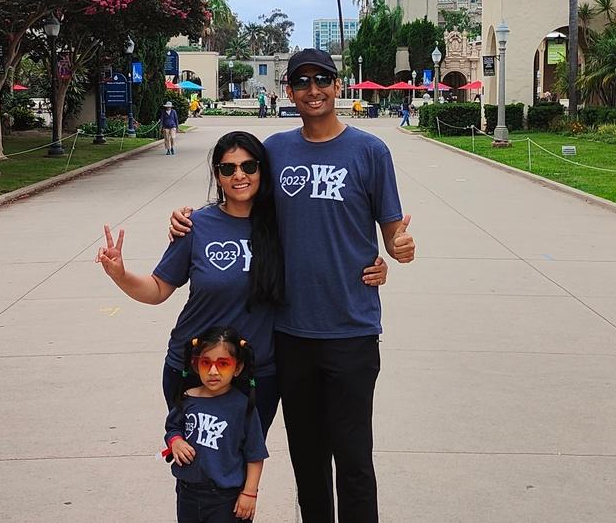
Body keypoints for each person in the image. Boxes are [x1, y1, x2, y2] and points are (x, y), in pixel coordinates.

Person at [170, 48, 415, 523]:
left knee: (354, 461)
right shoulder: (277, 151)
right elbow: (238, 195)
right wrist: (188, 218)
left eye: (322, 79)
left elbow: (392, 234)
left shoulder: (370, 151)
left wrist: (399, 249)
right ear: (289, 91)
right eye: (301, 81)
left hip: (351, 330)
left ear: (338, 85)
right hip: (290, 335)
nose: (312, 89)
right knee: (308, 461)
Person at [98, 131, 389, 437]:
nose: (239, 175)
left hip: (257, 375)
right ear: (217, 176)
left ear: (262, 171)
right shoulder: (197, 226)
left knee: (246, 460)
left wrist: (374, 268)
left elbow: (322, 257)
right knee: (198, 461)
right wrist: (120, 274)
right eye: (228, 168)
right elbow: (157, 289)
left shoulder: (282, 226)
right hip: (196, 367)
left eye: (249, 166)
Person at [164, 326, 268, 523]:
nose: (213, 371)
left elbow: (255, 454)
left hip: (225, 498)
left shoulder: (242, 407)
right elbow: (173, 428)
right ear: (196, 365)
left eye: (223, 364)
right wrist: (175, 441)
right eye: (206, 363)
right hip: (187, 493)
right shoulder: (187, 399)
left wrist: (249, 493)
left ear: (237, 368)